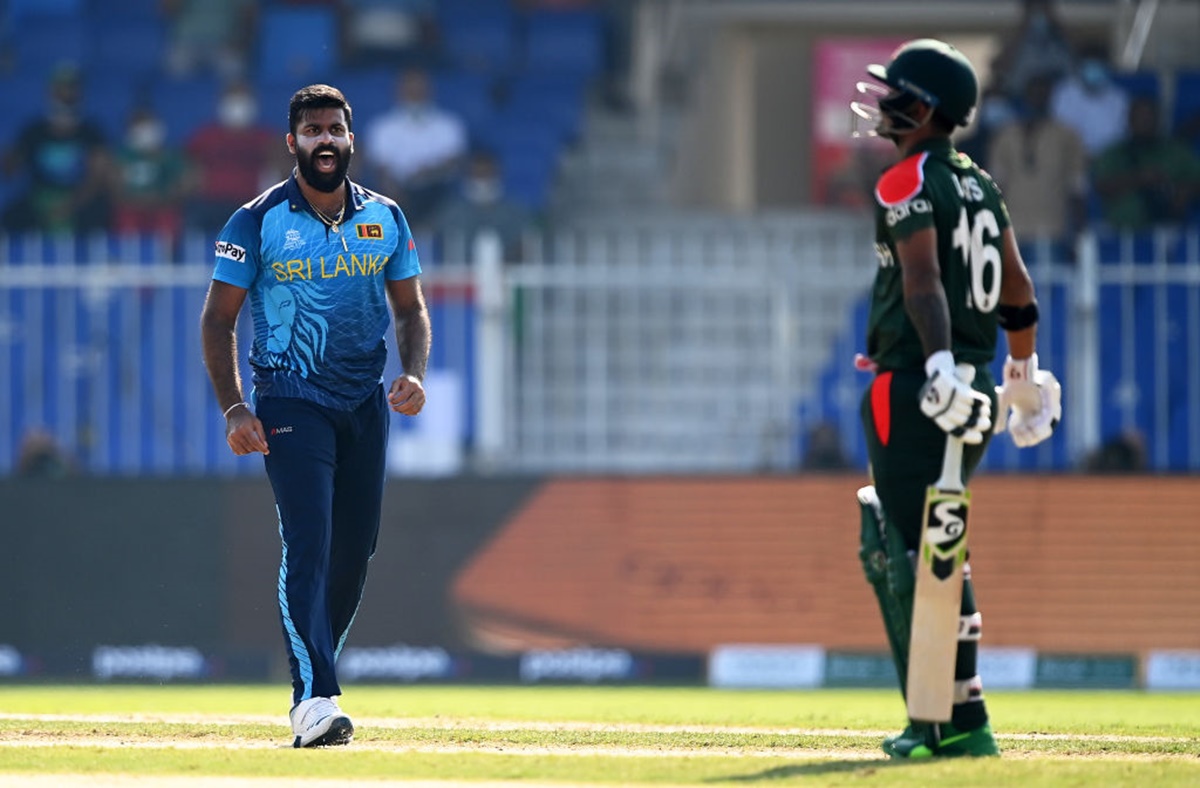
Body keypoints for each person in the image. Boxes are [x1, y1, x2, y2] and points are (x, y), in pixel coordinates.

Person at [199, 84, 431, 749]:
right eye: (312, 131)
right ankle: (315, 700)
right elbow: (219, 320)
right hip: (290, 400)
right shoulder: (257, 219)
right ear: (292, 142)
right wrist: (235, 405)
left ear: (352, 141)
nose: (324, 140)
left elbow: (411, 309)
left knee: (353, 554)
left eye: (335, 130)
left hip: (363, 402)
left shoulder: (385, 218)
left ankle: (310, 676)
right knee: (309, 542)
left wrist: (411, 372)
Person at [849, 39, 1062, 758]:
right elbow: (1020, 291)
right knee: (942, 544)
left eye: (896, 92)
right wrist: (1022, 375)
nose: (883, 104)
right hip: (968, 388)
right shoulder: (980, 181)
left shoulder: (904, 179)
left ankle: (933, 721)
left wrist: (933, 361)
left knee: (906, 548)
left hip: (919, 386)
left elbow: (923, 284)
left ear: (926, 106)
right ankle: (963, 720)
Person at [1, 62, 112, 235]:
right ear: (51, 92)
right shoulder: (33, 131)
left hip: (80, 198)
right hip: (40, 198)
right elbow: (11, 171)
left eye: (71, 88)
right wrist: (8, 159)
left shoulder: (92, 132)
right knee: (12, 218)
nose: (66, 94)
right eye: (61, 88)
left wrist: (71, 204)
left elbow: (98, 178)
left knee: (100, 216)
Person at [986, 71, 1088, 254]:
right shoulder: (1006, 135)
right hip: (1013, 229)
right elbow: (996, 186)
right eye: (1034, 93)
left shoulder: (1067, 136)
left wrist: (1079, 234)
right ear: (1025, 96)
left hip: (1054, 229)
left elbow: (1076, 185)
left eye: (1044, 94)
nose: (1038, 98)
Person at [362, 67, 469, 229]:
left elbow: (453, 161)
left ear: (429, 90)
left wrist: (427, 173)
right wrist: (394, 190)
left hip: (438, 191)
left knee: (446, 205)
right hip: (397, 191)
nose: (415, 93)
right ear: (398, 90)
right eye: (410, 88)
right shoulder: (382, 127)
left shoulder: (448, 124)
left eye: (419, 88)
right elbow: (380, 167)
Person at [185, 82, 290, 236]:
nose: (237, 107)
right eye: (233, 101)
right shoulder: (205, 136)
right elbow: (188, 167)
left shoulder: (266, 138)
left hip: (251, 203)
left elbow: (283, 168)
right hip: (211, 202)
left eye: (242, 101)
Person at [1091, 95, 1200, 231]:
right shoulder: (1114, 153)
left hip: (1170, 229)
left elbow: (1196, 179)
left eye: (1149, 116)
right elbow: (1101, 187)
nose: (1144, 122)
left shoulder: (1176, 151)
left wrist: (1185, 191)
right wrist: (1140, 178)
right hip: (1124, 232)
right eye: (1139, 117)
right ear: (1129, 120)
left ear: (1158, 119)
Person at [432, 148, 535, 263]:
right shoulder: (451, 212)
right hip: (462, 276)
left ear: (498, 175)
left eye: (486, 174)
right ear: (467, 177)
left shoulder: (516, 212)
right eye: (477, 175)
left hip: (508, 274)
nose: (482, 181)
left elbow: (527, 244)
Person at [111, 106, 191, 247]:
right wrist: (139, 200)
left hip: (162, 205)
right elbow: (116, 189)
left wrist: (164, 197)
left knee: (168, 218)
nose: (146, 131)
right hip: (132, 206)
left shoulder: (169, 155)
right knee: (126, 217)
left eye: (149, 125)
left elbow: (186, 182)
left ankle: (167, 258)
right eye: (141, 126)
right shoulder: (122, 156)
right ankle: (129, 255)